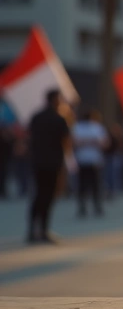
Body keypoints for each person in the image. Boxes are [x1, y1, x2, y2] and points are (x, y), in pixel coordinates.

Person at [27, 90, 72, 244]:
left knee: (38, 195)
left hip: (37, 161)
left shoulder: (36, 117)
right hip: (53, 163)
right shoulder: (60, 119)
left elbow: (29, 137)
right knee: (48, 197)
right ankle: (44, 230)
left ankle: (32, 230)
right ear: (55, 100)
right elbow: (66, 142)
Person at [72, 109, 107, 218]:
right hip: (87, 160)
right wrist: (92, 142)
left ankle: (91, 207)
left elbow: (104, 143)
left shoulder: (93, 127)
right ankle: (90, 207)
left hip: (90, 160)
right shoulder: (82, 127)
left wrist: (85, 142)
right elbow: (75, 142)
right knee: (90, 185)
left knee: (90, 185)